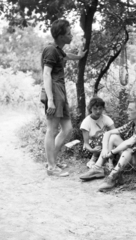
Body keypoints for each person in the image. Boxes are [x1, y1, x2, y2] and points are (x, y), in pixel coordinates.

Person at [41, 19, 87, 177]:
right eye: (68, 33)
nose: (71, 35)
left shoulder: (58, 50)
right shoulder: (50, 50)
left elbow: (67, 56)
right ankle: (51, 167)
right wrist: (51, 100)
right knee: (52, 130)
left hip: (61, 91)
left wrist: (79, 56)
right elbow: (46, 74)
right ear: (60, 36)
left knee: (67, 129)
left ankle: (52, 160)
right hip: (54, 91)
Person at [79, 98, 136, 191]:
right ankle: (97, 168)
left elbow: (129, 142)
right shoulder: (131, 124)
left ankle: (112, 177)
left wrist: (112, 152)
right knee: (113, 137)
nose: (127, 112)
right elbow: (108, 133)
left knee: (128, 150)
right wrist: (105, 149)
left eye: (130, 110)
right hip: (132, 157)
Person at [80, 97, 115, 169]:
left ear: (103, 109)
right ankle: (93, 160)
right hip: (90, 149)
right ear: (90, 109)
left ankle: (108, 161)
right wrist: (92, 150)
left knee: (109, 136)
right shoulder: (86, 122)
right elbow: (86, 144)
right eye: (95, 109)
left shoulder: (106, 118)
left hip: (103, 147)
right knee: (104, 135)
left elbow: (115, 132)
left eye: (100, 108)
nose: (98, 111)